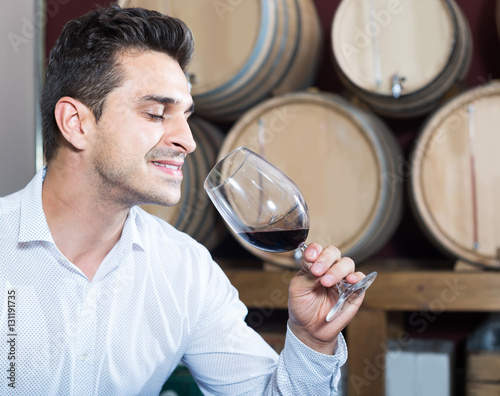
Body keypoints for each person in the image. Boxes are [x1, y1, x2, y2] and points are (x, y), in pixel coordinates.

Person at [0, 5, 367, 395]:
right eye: (157, 113)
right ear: (76, 123)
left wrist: (312, 340)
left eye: (187, 117)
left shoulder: (184, 269)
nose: (187, 142)